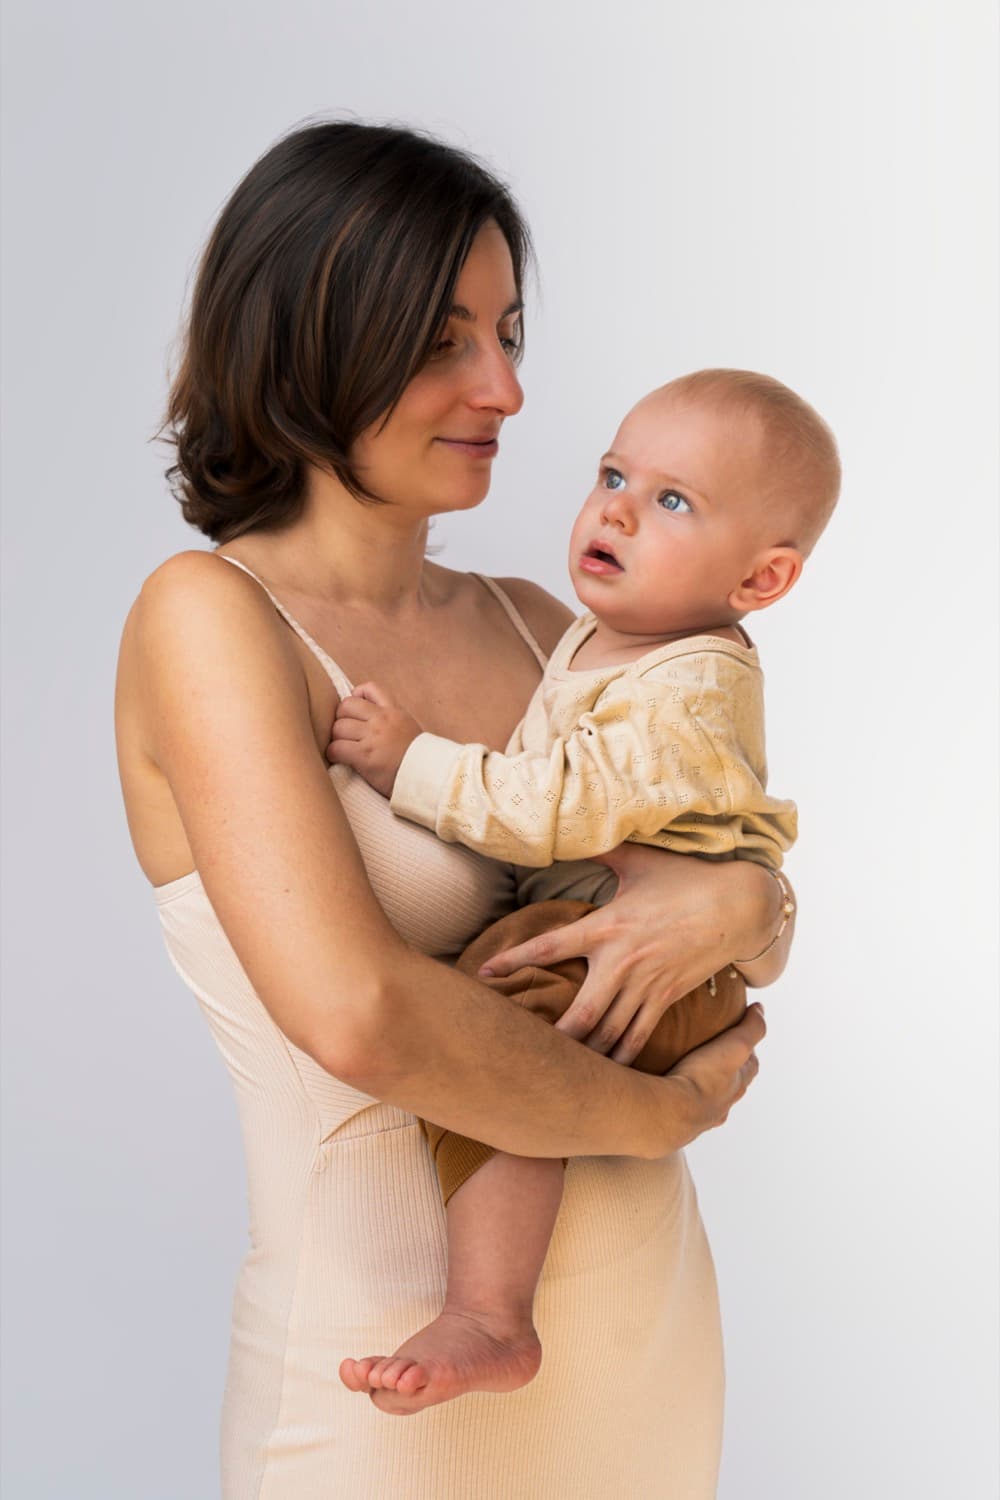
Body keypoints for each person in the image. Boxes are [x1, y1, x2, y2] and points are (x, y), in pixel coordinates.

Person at [114, 120, 789, 1498]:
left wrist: (748, 899)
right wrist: (641, 1114)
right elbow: (360, 1012)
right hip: (388, 1385)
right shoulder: (211, 621)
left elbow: (724, 885)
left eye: (510, 332)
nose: (508, 388)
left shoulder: (554, 628)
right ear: (308, 345)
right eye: (444, 341)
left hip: (642, 1343)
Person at [329, 367, 839, 1414]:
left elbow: (557, 806)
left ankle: (487, 1315)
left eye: (672, 501)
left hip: (634, 961)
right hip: (620, 937)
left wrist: (409, 763)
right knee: (492, 1023)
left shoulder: (688, 680)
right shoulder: (610, 639)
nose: (613, 507)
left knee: (497, 1032)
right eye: (614, 472)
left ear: (761, 581)